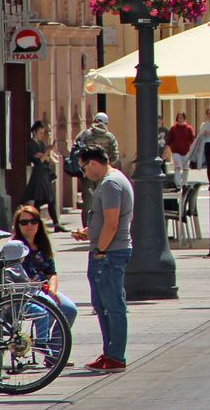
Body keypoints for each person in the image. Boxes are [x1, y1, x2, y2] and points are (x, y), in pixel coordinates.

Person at [70, 145, 133, 372]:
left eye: (83, 168)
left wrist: (100, 250)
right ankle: (109, 353)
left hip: (110, 253)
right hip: (109, 250)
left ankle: (115, 357)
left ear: (93, 163)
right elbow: (111, 220)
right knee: (103, 305)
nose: (84, 173)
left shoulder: (110, 184)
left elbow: (112, 223)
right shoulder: (114, 180)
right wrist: (90, 233)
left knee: (112, 305)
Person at [11, 204, 77, 364]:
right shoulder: (15, 247)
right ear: (18, 225)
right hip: (26, 292)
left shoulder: (42, 244)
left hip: (44, 289)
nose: (29, 225)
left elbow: (51, 272)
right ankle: (44, 346)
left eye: (33, 221)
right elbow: (15, 274)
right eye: (24, 222)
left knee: (70, 309)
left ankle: (55, 353)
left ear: (39, 223)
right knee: (49, 308)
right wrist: (40, 288)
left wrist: (52, 291)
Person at [21, 121, 66, 232]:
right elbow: (38, 161)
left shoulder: (41, 144)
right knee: (44, 199)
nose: (42, 135)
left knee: (45, 199)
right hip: (39, 175)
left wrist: (44, 154)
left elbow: (45, 158)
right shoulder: (30, 145)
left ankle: (43, 223)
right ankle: (44, 223)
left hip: (45, 174)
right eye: (40, 133)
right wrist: (46, 152)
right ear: (34, 132)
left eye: (43, 133)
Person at [77, 113, 120, 219]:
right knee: (104, 199)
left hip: (87, 171)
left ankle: (87, 225)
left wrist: (84, 167)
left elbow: (78, 151)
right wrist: (107, 166)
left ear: (94, 121)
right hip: (103, 173)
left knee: (88, 200)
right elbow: (115, 155)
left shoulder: (85, 134)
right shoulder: (110, 137)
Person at [166, 112, 195, 189]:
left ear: (184, 118)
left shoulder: (188, 128)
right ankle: (178, 183)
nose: (180, 119)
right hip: (176, 151)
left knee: (185, 168)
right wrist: (166, 151)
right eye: (179, 117)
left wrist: (194, 151)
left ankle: (184, 183)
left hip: (186, 151)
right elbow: (169, 141)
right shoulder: (173, 128)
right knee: (177, 167)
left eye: (182, 117)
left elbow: (192, 140)